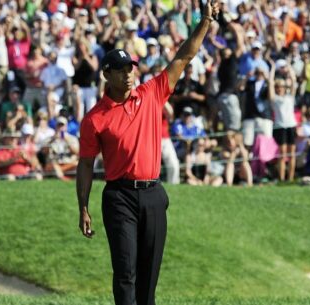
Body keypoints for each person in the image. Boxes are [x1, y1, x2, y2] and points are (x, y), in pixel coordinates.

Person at [76, 2, 219, 305]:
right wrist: (84, 207)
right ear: (106, 75)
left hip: (153, 194)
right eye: (120, 70)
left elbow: (185, 55)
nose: (128, 75)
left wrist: (205, 20)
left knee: (148, 279)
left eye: (131, 69)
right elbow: (86, 165)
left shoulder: (152, 92)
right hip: (119, 197)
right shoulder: (95, 118)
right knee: (126, 273)